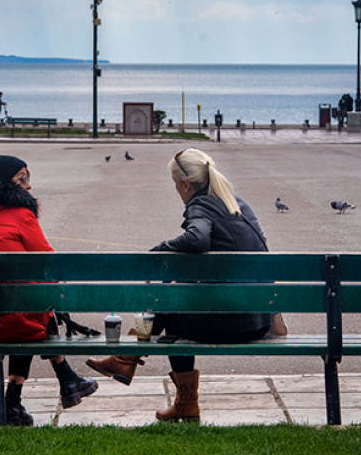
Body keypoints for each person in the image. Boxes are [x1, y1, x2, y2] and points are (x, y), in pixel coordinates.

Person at [86, 148, 272, 423]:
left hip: (230, 325)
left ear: (185, 184)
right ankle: (126, 359)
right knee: (173, 286)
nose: (177, 191)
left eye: (176, 185)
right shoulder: (237, 204)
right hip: (259, 320)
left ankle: (177, 396)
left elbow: (197, 240)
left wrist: (162, 249)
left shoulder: (202, 205)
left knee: (171, 309)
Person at [0, 154, 98, 426]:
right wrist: (51, 298)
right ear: (4, 183)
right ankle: (25, 396)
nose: (28, 186)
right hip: (10, 322)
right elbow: (47, 265)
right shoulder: (20, 214)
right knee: (29, 306)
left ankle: (64, 382)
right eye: (22, 179)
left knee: (18, 306)